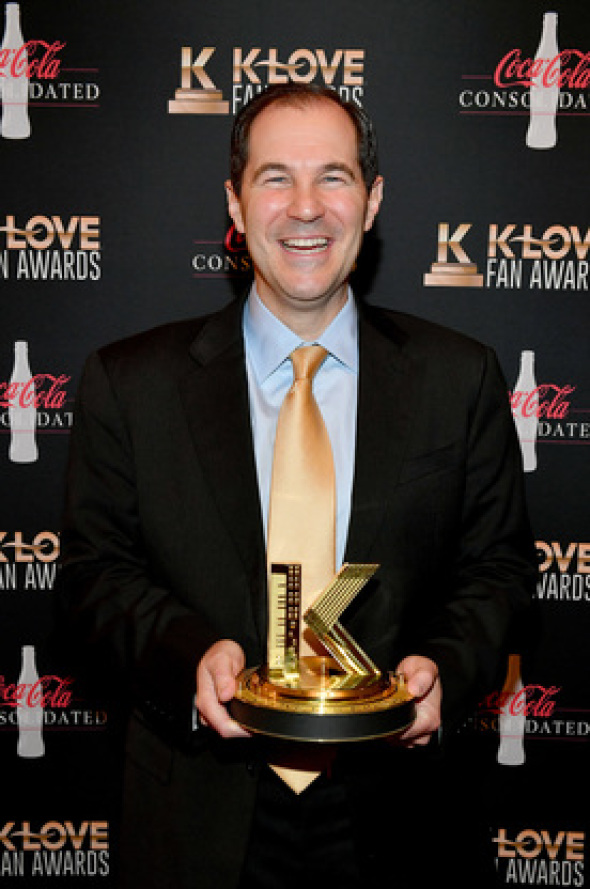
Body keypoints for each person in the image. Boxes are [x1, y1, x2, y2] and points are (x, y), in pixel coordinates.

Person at [59, 83, 536, 888]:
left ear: (373, 199)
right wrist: (191, 659)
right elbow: (93, 575)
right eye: (276, 177)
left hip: (401, 816)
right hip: (197, 812)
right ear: (236, 205)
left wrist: (442, 670)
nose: (306, 208)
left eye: (335, 177)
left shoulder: (459, 377)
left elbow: (499, 570)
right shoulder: (129, 383)